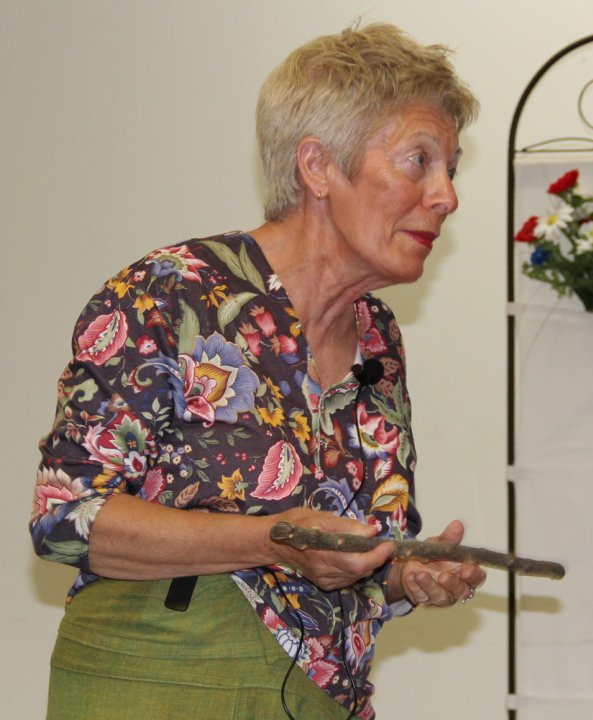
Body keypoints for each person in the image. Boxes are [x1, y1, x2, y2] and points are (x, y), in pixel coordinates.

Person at [31, 22, 486, 720]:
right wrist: (272, 540)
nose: (446, 195)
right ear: (317, 166)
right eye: (418, 161)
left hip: (320, 698)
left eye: (450, 168)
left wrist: (404, 573)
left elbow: (353, 554)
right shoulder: (170, 293)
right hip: (158, 683)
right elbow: (65, 518)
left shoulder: (378, 337)